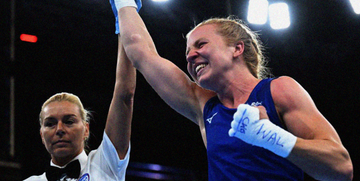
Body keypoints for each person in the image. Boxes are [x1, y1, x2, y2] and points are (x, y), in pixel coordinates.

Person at [110, 1, 353, 180]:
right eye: (187, 52)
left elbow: (341, 168)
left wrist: (272, 137)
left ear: (236, 49)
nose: (191, 56)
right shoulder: (203, 105)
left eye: (201, 44)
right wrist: (125, 4)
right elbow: (143, 55)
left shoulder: (278, 90)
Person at [24, 36, 137, 180]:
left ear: (86, 129)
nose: (59, 129)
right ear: (41, 135)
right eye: (50, 123)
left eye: (69, 121)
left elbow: (125, 95)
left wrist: (124, 24)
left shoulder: (104, 164)